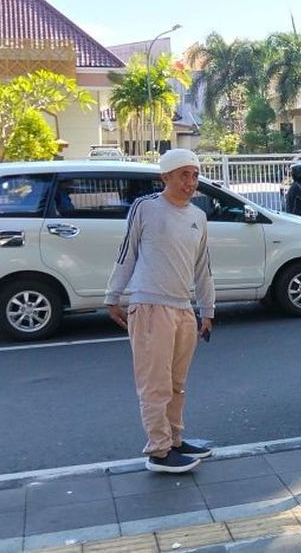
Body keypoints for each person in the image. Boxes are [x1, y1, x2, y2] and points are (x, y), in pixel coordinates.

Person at [104, 149, 215, 474]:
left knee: (177, 383)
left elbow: (202, 267)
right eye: (183, 174)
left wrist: (207, 309)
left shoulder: (198, 216)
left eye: (194, 175)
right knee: (155, 385)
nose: (190, 182)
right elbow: (128, 252)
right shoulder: (147, 207)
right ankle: (158, 451)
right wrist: (113, 295)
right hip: (150, 305)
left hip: (183, 309)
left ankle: (175, 441)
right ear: (165, 176)